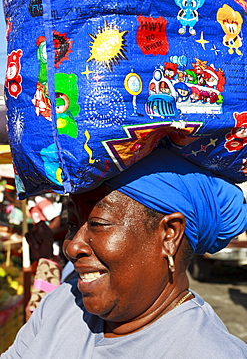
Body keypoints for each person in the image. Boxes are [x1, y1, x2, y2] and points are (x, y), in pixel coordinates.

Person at [1, 145, 247, 358]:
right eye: (72, 224)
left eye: (98, 224)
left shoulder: (209, 352)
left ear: (169, 234)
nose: (72, 246)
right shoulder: (62, 301)